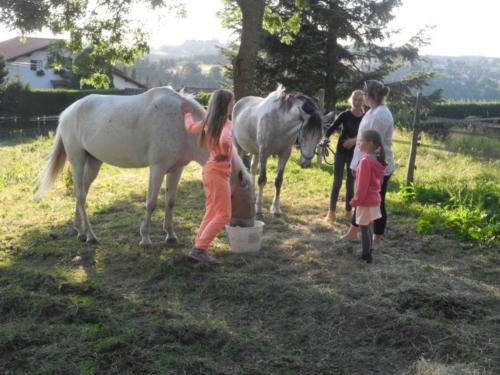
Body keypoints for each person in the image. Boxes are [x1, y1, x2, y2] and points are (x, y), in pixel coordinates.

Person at [182, 89, 235, 264]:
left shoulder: (207, 122)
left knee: (212, 210)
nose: (233, 105)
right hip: (218, 173)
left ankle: (198, 246)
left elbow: (190, 127)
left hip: (210, 171)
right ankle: (200, 249)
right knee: (224, 215)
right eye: (231, 102)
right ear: (225, 105)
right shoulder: (227, 125)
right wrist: (226, 150)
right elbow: (226, 139)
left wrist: (187, 114)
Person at [343, 80, 394, 249]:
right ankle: (353, 232)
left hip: (374, 167)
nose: (362, 96)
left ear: (369, 95)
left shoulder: (380, 114)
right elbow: (363, 140)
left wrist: (360, 165)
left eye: (364, 94)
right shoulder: (372, 111)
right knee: (363, 199)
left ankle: (376, 240)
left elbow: (371, 144)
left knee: (376, 202)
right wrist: (356, 164)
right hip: (365, 164)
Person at [320, 90, 364, 222]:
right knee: (337, 182)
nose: (357, 102)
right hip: (340, 152)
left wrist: (353, 141)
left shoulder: (365, 118)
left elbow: (365, 135)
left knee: (350, 183)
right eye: (355, 99)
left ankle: (348, 212)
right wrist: (324, 138)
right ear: (351, 100)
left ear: (363, 102)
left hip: (355, 154)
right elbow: (332, 127)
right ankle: (331, 212)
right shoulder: (345, 114)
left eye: (360, 100)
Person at [349, 130, 387, 263]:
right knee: (368, 226)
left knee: (364, 228)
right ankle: (368, 250)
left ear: (370, 143)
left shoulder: (365, 161)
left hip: (365, 201)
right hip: (374, 200)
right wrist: (358, 173)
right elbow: (376, 181)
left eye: (361, 141)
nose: (359, 144)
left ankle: (366, 255)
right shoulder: (376, 160)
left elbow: (363, 185)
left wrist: (356, 200)